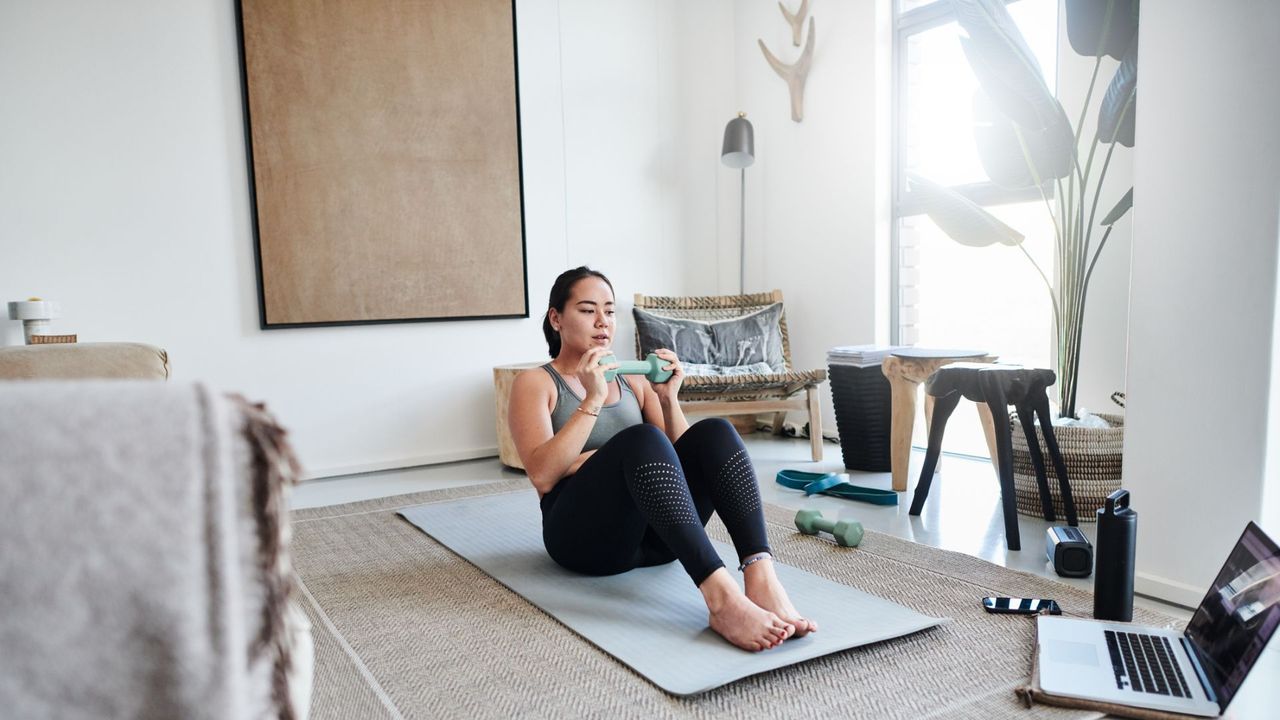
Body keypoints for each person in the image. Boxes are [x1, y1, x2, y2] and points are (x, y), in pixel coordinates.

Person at [507, 266, 815, 652]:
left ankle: (761, 577)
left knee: (715, 432)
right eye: (587, 311)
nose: (602, 322)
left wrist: (668, 398)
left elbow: (688, 460)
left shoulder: (634, 381)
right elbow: (543, 475)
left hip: (657, 542)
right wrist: (593, 399)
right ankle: (721, 599)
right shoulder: (535, 383)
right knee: (641, 440)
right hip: (586, 544)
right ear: (556, 319)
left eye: (609, 311)